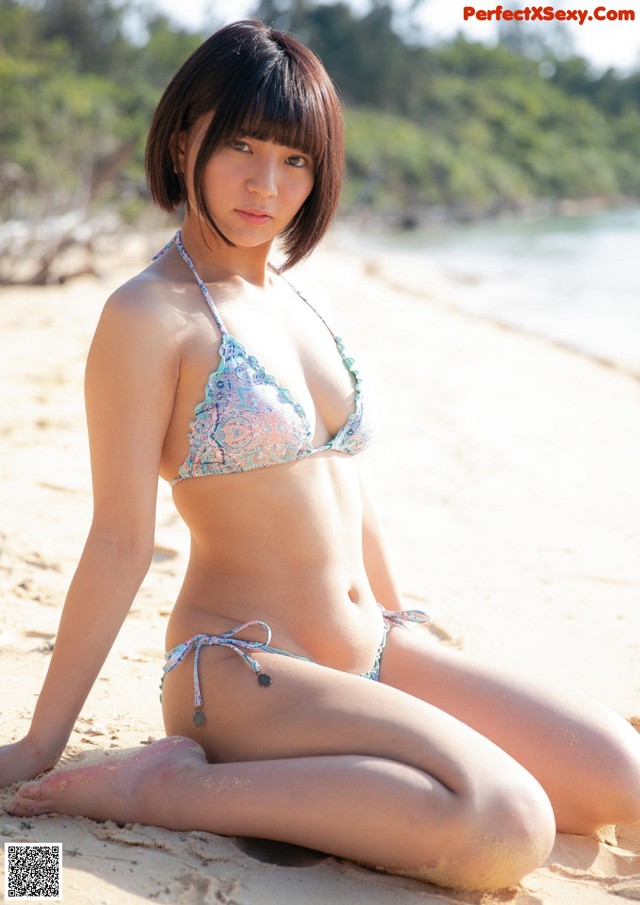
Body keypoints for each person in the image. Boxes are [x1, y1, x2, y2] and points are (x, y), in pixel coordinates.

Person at [2, 20, 639, 891]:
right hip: (243, 666)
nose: (268, 185)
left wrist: (399, 612)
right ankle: (169, 788)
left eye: (296, 160)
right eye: (243, 148)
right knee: (504, 824)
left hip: (369, 644)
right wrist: (42, 740)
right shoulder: (150, 316)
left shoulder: (304, 298)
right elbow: (119, 539)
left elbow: (343, 474)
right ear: (186, 137)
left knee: (617, 775)